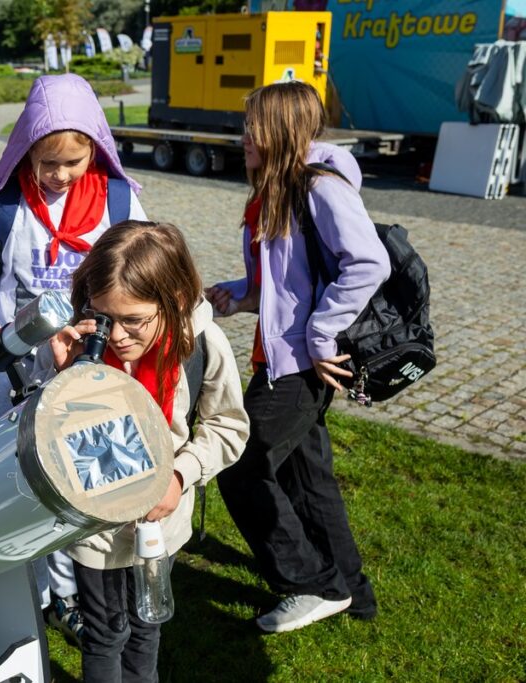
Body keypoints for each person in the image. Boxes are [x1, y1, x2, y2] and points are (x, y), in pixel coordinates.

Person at [0, 73, 148, 643]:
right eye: (46, 161)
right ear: (24, 146)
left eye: (72, 163)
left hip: (96, 381)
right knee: (28, 493)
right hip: (17, 385)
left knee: (90, 485)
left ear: (95, 150)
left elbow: (146, 284)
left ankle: (85, 590)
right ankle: (38, 598)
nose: (58, 175)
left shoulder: (120, 203)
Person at [206, 81, 388, 633]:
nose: (243, 139)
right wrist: (238, 297)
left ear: (279, 132)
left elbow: (368, 263)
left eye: (251, 129)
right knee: (309, 480)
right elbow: (286, 281)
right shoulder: (274, 189)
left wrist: (321, 333)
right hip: (280, 357)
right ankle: (353, 593)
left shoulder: (320, 189)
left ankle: (311, 584)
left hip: (303, 365)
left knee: (239, 462)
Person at [42, 221, 249, 682]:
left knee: (145, 624)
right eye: (104, 317)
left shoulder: (200, 345)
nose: (116, 336)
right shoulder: (80, 342)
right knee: (104, 634)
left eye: (133, 320)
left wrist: (180, 476)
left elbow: (228, 425)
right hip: (94, 526)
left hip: (159, 523)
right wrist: (65, 378)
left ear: (174, 301)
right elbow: (50, 434)